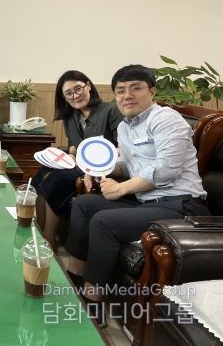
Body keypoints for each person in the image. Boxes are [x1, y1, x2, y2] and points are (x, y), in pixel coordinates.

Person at [64, 64, 210, 326]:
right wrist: (95, 169)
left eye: (135, 88)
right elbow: (128, 166)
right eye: (120, 91)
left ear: (151, 91)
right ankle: (74, 276)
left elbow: (165, 170)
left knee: (104, 222)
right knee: (84, 204)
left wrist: (121, 188)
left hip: (182, 206)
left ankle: (93, 301)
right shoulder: (125, 127)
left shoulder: (166, 119)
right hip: (149, 203)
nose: (127, 95)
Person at [33, 70, 122, 250]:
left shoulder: (111, 111)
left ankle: (49, 239)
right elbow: (74, 146)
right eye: (68, 93)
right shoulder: (70, 117)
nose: (75, 96)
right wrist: (68, 155)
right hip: (78, 164)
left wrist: (94, 163)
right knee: (43, 173)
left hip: (104, 168)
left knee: (58, 179)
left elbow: (123, 148)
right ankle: (38, 231)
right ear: (64, 98)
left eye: (78, 89)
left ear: (88, 86)